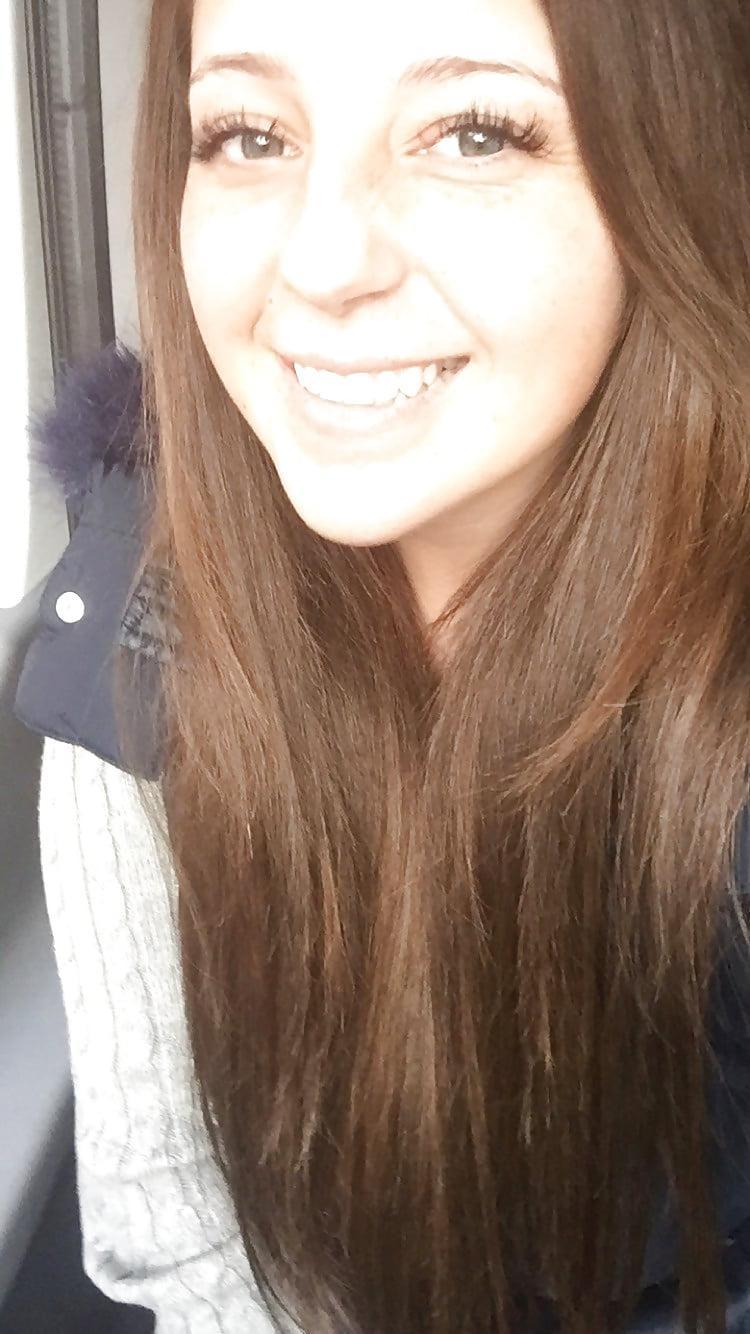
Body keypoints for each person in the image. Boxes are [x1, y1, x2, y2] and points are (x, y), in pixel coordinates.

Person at [14, 0, 750, 1330]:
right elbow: (177, 1229)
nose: (321, 260)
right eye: (249, 136)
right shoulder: (138, 610)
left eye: (474, 132)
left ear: (678, 173)